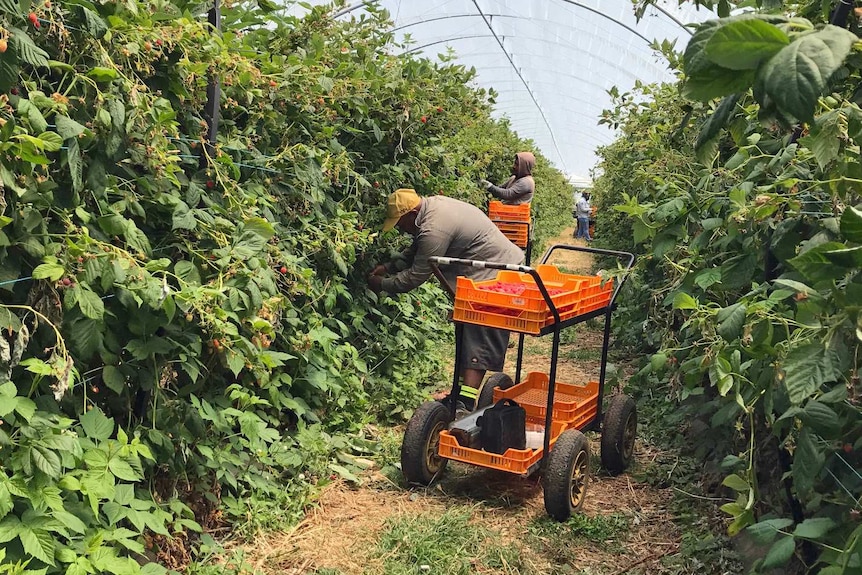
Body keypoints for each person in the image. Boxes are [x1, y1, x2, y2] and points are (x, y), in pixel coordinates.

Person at [368, 188, 524, 405]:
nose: (401, 229)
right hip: (487, 271)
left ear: (411, 214)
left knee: (477, 338)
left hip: (495, 275)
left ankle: (465, 404)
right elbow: (417, 251)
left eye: (400, 223)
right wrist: (388, 266)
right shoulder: (432, 208)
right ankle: (459, 397)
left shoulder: (433, 228)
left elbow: (416, 276)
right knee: (467, 336)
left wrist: (381, 284)